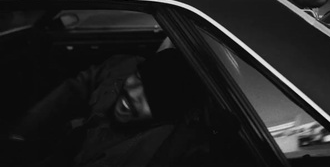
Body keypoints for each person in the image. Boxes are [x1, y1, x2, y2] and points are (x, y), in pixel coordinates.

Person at [7, 39, 209, 167]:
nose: (131, 93)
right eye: (138, 80)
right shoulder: (122, 69)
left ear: (165, 115)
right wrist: (22, 132)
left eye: (148, 97)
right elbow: (76, 87)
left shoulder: (159, 150)